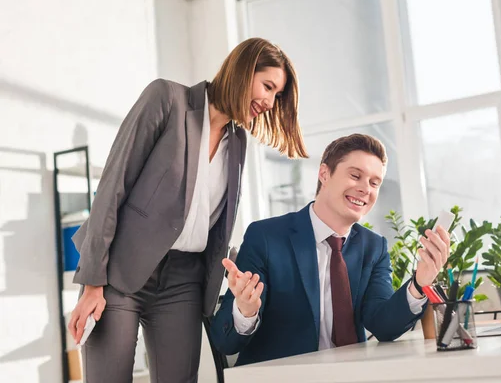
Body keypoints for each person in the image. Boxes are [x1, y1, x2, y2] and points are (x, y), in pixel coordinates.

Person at [67, 37, 307, 382]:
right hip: (121, 272)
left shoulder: (238, 142)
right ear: (242, 70)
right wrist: (92, 283)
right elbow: (112, 187)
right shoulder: (167, 98)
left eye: (277, 95)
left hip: (183, 281)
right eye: (267, 86)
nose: (269, 102)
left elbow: (211, 223)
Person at [210, 134, 450, 366]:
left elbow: (383, 326)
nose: (365, 189)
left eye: (374, 183)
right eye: (356, 175)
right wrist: (246, 311)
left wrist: (420, 284)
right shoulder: (266, 237)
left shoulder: (374, 247)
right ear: (324, 174)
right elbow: (225, 343)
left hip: (352, 374)